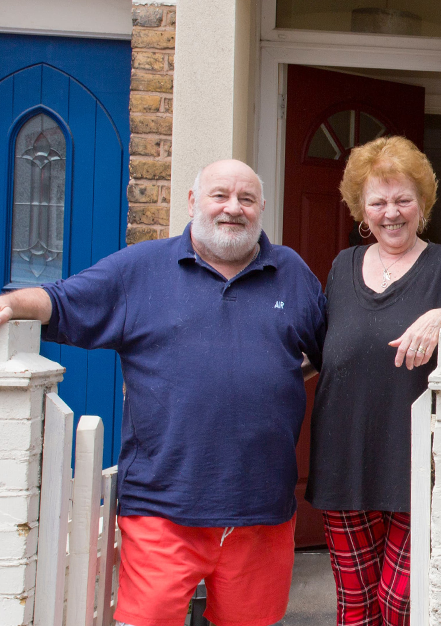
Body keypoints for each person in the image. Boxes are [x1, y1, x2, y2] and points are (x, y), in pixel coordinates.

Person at [0, 159, 326, 626]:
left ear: (261, 209)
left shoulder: (290, 272)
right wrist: (10, 303)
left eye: (246, 199)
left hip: (261, 507)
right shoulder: (140, 268)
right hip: (161, 506)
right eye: (220, 195)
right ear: (193, 202)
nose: (233, 208)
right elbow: (62, 301)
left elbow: (333, 348)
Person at [306, 136, 441, 626]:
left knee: (401, 601)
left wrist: (440, 317)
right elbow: (321, 348)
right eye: (378, 202)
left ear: (423, 203)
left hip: (417, 459)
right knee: (354, 604)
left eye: (403, 199)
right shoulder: (341, 266)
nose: (392, 212)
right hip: (344, 456)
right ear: (361, 211)